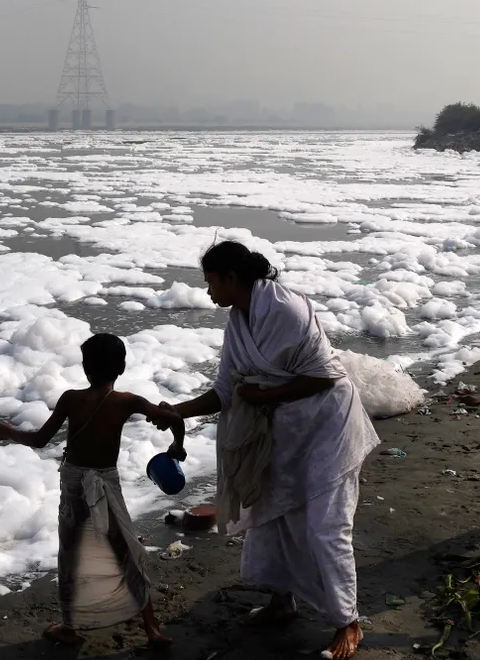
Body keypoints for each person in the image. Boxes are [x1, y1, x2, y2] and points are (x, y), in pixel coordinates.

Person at [156, 241, 379, 660]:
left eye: (209, 283)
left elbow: (327, 375)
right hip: (284, 428)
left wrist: (263, 395)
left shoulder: (286, 310)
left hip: (326, 427)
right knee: (272, 513)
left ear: (230, 277)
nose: (207, 293)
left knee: (325, 527)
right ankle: (282, 601)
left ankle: (348, 622)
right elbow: (228, 389)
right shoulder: (238, 321)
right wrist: (177, 412)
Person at [0, 333, 186, 651]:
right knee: (124, 550)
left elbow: (41, 440)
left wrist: (9, 432)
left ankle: (69, 627)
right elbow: (175, 420)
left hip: (73, 484)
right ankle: (151, 628)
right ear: (121, 367)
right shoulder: (128, 402)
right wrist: (176, 447)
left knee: (70, 554)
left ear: (86, 367)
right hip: (105, 485)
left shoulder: (71, 399)